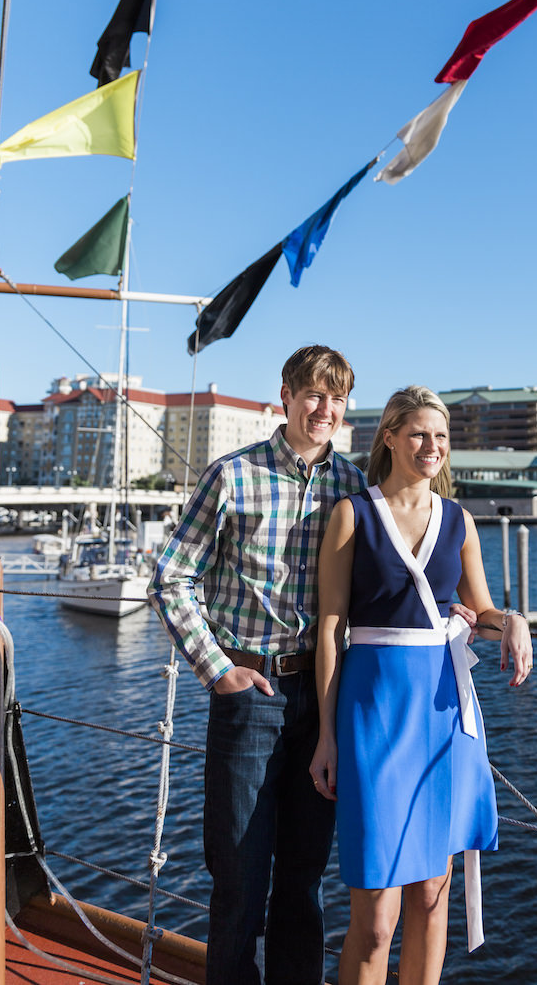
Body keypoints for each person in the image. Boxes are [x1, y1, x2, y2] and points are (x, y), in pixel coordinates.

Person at [148, 345, 367, 985]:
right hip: (250, 693)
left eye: (337, 398)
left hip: (324, 697)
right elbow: (171, 578)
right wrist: (218, 669)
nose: (325, 409)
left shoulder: (353, 485)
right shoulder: (232, 475)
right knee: (240, 879)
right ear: (287, 396)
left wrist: (479, 615)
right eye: (314, 395)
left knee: (304, 881)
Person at [310, 385, 533, 985]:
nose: (432, 446)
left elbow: (479, 609)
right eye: (418, 434)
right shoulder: (352, 514)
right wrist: (326, 736)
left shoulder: (460, 520)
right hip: (374, 711)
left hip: (442, 711)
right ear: (389, 437)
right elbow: (332, 627)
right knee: (376, 916)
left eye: (440, 436)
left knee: (433, 898)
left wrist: (512, 621)